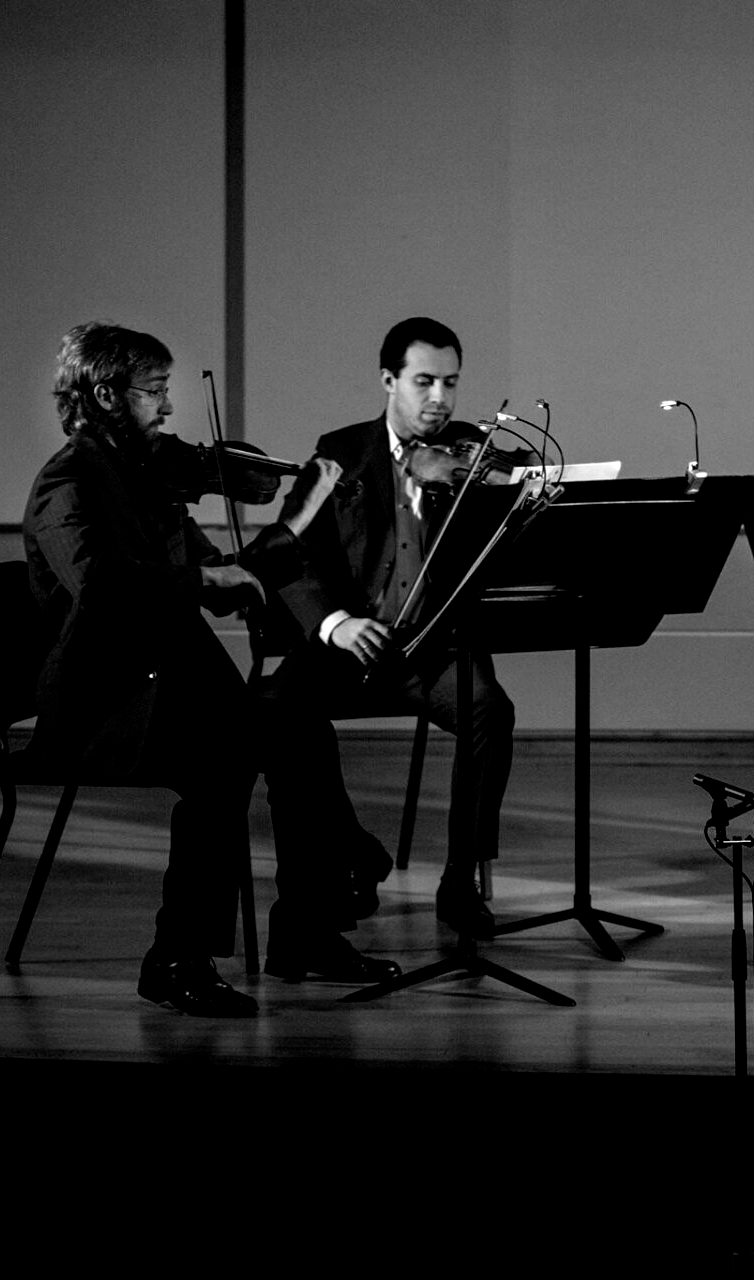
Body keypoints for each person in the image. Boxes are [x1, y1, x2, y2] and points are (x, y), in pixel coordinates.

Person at [25, 321, 402, 1017]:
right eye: (155, 391)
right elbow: (107, 589)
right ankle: (176, 958)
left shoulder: (146, 478)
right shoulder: (70, 481)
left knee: (297, 724)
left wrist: (300, 518)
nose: (168, 409)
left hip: (166, 682)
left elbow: (228, 578)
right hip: (103, 701)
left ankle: (307, 933)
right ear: (107, 395)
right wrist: (212, 579)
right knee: (222, 760)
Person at [272, 316, 523, 939]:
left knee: (490, 708)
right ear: (389, 381)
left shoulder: (470, 460)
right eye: (424, 381)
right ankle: (354, 849)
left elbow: (511, 530)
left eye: (451, 383)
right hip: (349, 646)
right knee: (272, 710)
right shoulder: (340, 453)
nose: (440, 399)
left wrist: (502, 491)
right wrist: (335, 623)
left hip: (428, 652)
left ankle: (459, 878)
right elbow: (288, 556)